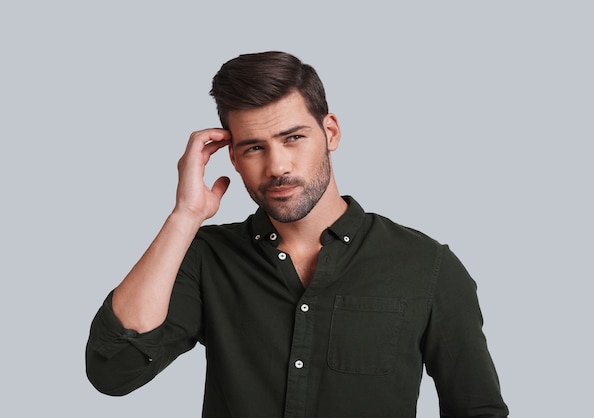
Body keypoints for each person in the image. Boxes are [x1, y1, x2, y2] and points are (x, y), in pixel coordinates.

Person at [86, 51, 509, 417]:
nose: (277, 167)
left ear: (330, 133)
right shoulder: (206, 258)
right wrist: (184, 216)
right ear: (231, 157)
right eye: (254, 147)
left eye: (293, 138)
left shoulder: (426, 266)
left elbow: (478, 410)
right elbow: (114, 371)